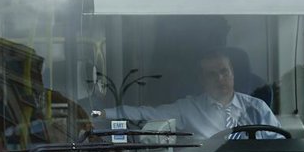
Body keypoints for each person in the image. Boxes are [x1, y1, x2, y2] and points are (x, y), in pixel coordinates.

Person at [102, 49, 283, 139]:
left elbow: (281, 146)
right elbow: (146, 113)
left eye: (224, 72)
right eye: (212, 75)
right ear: (201, 80)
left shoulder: (257, 107)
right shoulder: (188, 108)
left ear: (232, 73)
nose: (220, 79)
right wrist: (97, 114)